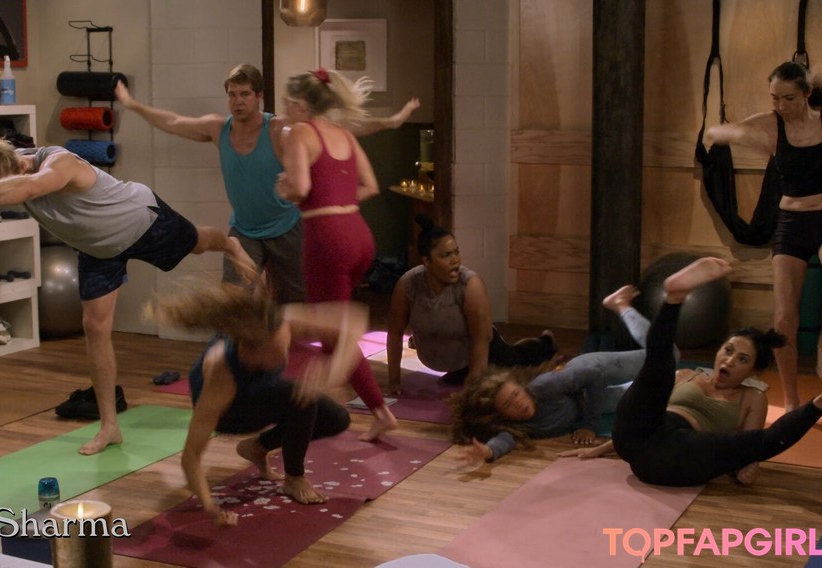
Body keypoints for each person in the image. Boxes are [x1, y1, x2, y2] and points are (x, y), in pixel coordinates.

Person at [0, 135, 252, 456]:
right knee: (95, 328)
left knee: (199, 243)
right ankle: (110, 425)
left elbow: (30, 186)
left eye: (3, 182)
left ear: (18, 163)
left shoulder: (58, 162)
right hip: (98, 248)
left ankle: (231, 244)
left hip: (139, 221)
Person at [114, 64, 419, 304]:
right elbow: (173, 122)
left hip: (288, 228)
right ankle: (236, 360)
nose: (238, 101)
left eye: (245, 94)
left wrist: (389, 122)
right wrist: (132, 104)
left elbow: (335, 127)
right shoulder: (218, 129)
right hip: (245, 231)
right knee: (233, 301)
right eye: (232, 94)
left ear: (259, 96)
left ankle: (293, 360)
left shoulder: (279, 128)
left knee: (298, 304)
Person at [560, 257, 822, 487]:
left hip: (680, 454)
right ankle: (674, 298)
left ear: (753, 371)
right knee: (660, 363)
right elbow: (641, 419)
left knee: (765, 441)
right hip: (633, 441)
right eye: (728, 351)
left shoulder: (752, 398)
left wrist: (748, 467)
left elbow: (751, 446)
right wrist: (598, 450)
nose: (729, 361)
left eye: (742, 359)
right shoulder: (686, 376)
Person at [706, 62, 822, 411]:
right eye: (775, 98)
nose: (780, 105)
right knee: (784, 317)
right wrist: (744, 137)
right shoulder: (771, 123)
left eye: (788, 98)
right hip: (792, 221)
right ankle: (790, 398)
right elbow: (717, 131)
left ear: (806, 94)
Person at [150, 284, 363, 527]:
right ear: (249, 352)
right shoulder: (221, 375)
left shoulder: (281, 321)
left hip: (260, 389)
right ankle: (294, 479)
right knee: (301, 398)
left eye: (286, 345)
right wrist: (211, 508)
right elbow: (191, 457)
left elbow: (355, 319)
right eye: (278, 350)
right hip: (232, 414)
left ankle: (258, 447)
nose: (285, 356)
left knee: (337, 418)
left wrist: (332, 371)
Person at [275, 67, 397, 441]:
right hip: (359, 235)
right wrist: (338, 203)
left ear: (300, 104)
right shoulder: (344, 134)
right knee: (336, 332)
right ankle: (369, 408)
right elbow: (370, 186)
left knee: (333, 333)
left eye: (286, 102)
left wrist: (283, 189)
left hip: (327, 239)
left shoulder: (300, 132)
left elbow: (300, 187)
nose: (284, 109)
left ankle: (372, 409)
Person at [452, 284, 672, 466]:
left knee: (668, 355)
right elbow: (504, 441)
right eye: (509, 404)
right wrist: (488, 452)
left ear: (521, 387)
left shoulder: (543, 386)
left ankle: (620, 305)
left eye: (516, 394)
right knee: (654, 392)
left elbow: (593, 375)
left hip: (591, 371)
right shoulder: (519, 426)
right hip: (589, 400)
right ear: (502, 415)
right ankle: (678, 378)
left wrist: (589, 425)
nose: (518, 403)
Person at [386, 214, 558, 394]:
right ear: (427, 260)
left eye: (456, 252)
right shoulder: (408, 284)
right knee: (453, 381)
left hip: (488, 353)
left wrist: (472, 391)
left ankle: (546, 343)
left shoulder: (470, 284)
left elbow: (481, 341)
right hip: (456, 362)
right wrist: (394, 381)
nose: (455, 260)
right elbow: (395, 332)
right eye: (446, 255)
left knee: (517, 362)